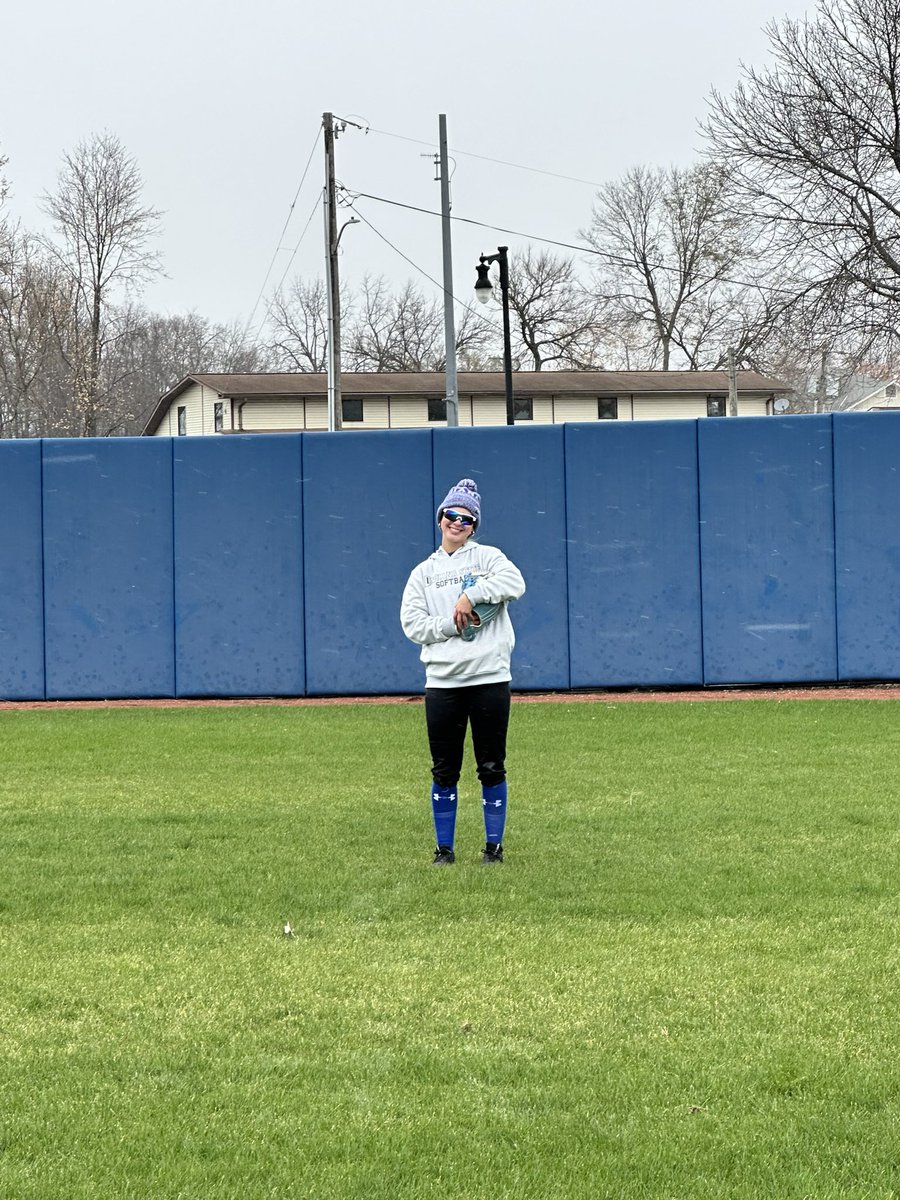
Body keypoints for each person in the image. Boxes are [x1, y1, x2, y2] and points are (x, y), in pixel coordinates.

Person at [400, 478, 526, 866]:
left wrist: (471, 595)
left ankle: (493, 849)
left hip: (490, 678)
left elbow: (515, 582)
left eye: (467, 518)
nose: (458, 522)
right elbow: (412, 623)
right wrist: (450, 625)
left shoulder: (488, 558)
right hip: (443, 683)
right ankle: (444, 850)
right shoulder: (423, 573)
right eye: (452, 515)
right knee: (444, 770)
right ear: (440, 518)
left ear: (474, 526)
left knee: (491, 767)